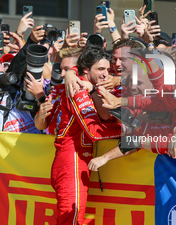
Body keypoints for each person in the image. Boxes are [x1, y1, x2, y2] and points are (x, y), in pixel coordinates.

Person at [51, 46, 121, 225]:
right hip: (71, 160)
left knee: (71, 217)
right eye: (100, 69)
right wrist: (132, 131)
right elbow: (94, 131)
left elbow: (105, 116)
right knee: (71, 217)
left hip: (79, 159)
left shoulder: (88, 85)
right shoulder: (77, 87)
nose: (106, 74)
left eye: (107, 69)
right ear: (86, 70)